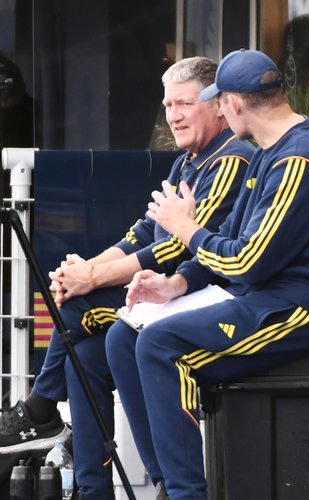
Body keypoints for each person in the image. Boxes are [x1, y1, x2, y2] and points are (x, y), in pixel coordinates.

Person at [105, 49, 309, 499]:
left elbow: (246, 261)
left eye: (219, 101)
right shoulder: (271, 151)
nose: (220, 111)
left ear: (235, 104)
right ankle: (167, 483)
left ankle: (187, 494)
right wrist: (177, 283)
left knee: (161, 344)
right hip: (261, 298)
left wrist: (186, 229)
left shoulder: (300, 159)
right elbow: (230, 237)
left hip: (306, 310)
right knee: (124, 337)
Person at [0, 56, 253, 499]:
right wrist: (84, 270)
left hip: (205, 297)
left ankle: (42, 413)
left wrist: (90, 280)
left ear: (218, 106)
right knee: (85, 357)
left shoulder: (232, 158)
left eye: (184, 104)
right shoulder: (188, 162)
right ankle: (92, 489)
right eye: (167, 105)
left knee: (78, 308)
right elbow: (142, 234)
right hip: (160, 296)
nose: (173, 115)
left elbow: (177, 249)